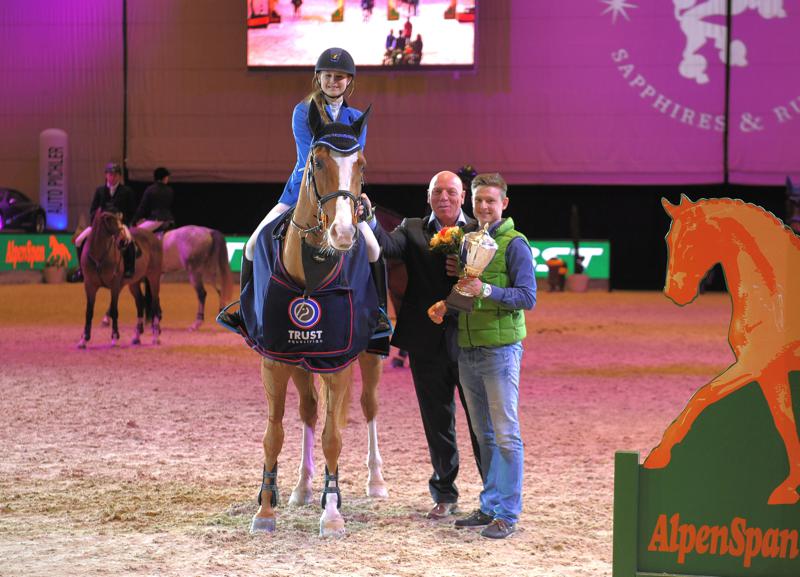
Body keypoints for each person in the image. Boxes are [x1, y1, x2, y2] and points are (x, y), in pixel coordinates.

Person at [220, 47, 390, 341]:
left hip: (341, 196)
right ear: (318, 78)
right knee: (252, 245)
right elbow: (307, 158)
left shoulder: (356, 117)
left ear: (349, 81)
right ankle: (245, 313)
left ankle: (378, 316)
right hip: (299, 192)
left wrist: (352, 197)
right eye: (328, 76)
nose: (333, 82)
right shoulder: (303, 111)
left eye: (339, 77)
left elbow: (352, 164)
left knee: (374, 249)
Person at [362, 171, 483, 520]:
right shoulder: (411, 228)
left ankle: (493, 493)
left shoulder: (479, 231)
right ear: (428, 196)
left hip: (471, 340)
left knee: (481, 423)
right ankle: (445, 493)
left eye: (450, 191)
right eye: (436, 191)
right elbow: (385, 247)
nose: (443, 197)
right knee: (437, 421)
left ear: (462, 197)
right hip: (426, 342)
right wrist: (368, 217)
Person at [430, 172, 536, 539]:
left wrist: (488, 289)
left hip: (501, 351)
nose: (484, 207)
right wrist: (448, 306)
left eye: (491, 201)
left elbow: (527, 297)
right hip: (469, 348)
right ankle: (490, 505)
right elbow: (466, 290)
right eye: (478, 201)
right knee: (484, 434)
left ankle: (507, 513)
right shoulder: (470, 241)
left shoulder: (515, 244)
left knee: (506, 435)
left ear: (504, 203)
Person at [73, 163, 137, 279]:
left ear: (119, 176)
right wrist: (97, 220)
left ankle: (129, 268)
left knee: (129, 240)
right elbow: (92, 210)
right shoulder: (100, 191)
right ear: (106, 175)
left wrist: (124, 219)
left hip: (119, 225)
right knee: (78, 240)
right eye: (110, 175)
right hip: (101, 225)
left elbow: (132, 210)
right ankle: (82, 269)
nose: (112, 177)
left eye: (115, 175)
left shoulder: (126, 191)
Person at [133, 167, 175, 233]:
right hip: (169, 220)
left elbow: (142, 207)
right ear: (163, 177)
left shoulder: (150, 189)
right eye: (167, 177)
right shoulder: (170, 190)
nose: (167, 178)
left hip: (156, 220)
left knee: (137, 232)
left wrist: (134, 220)